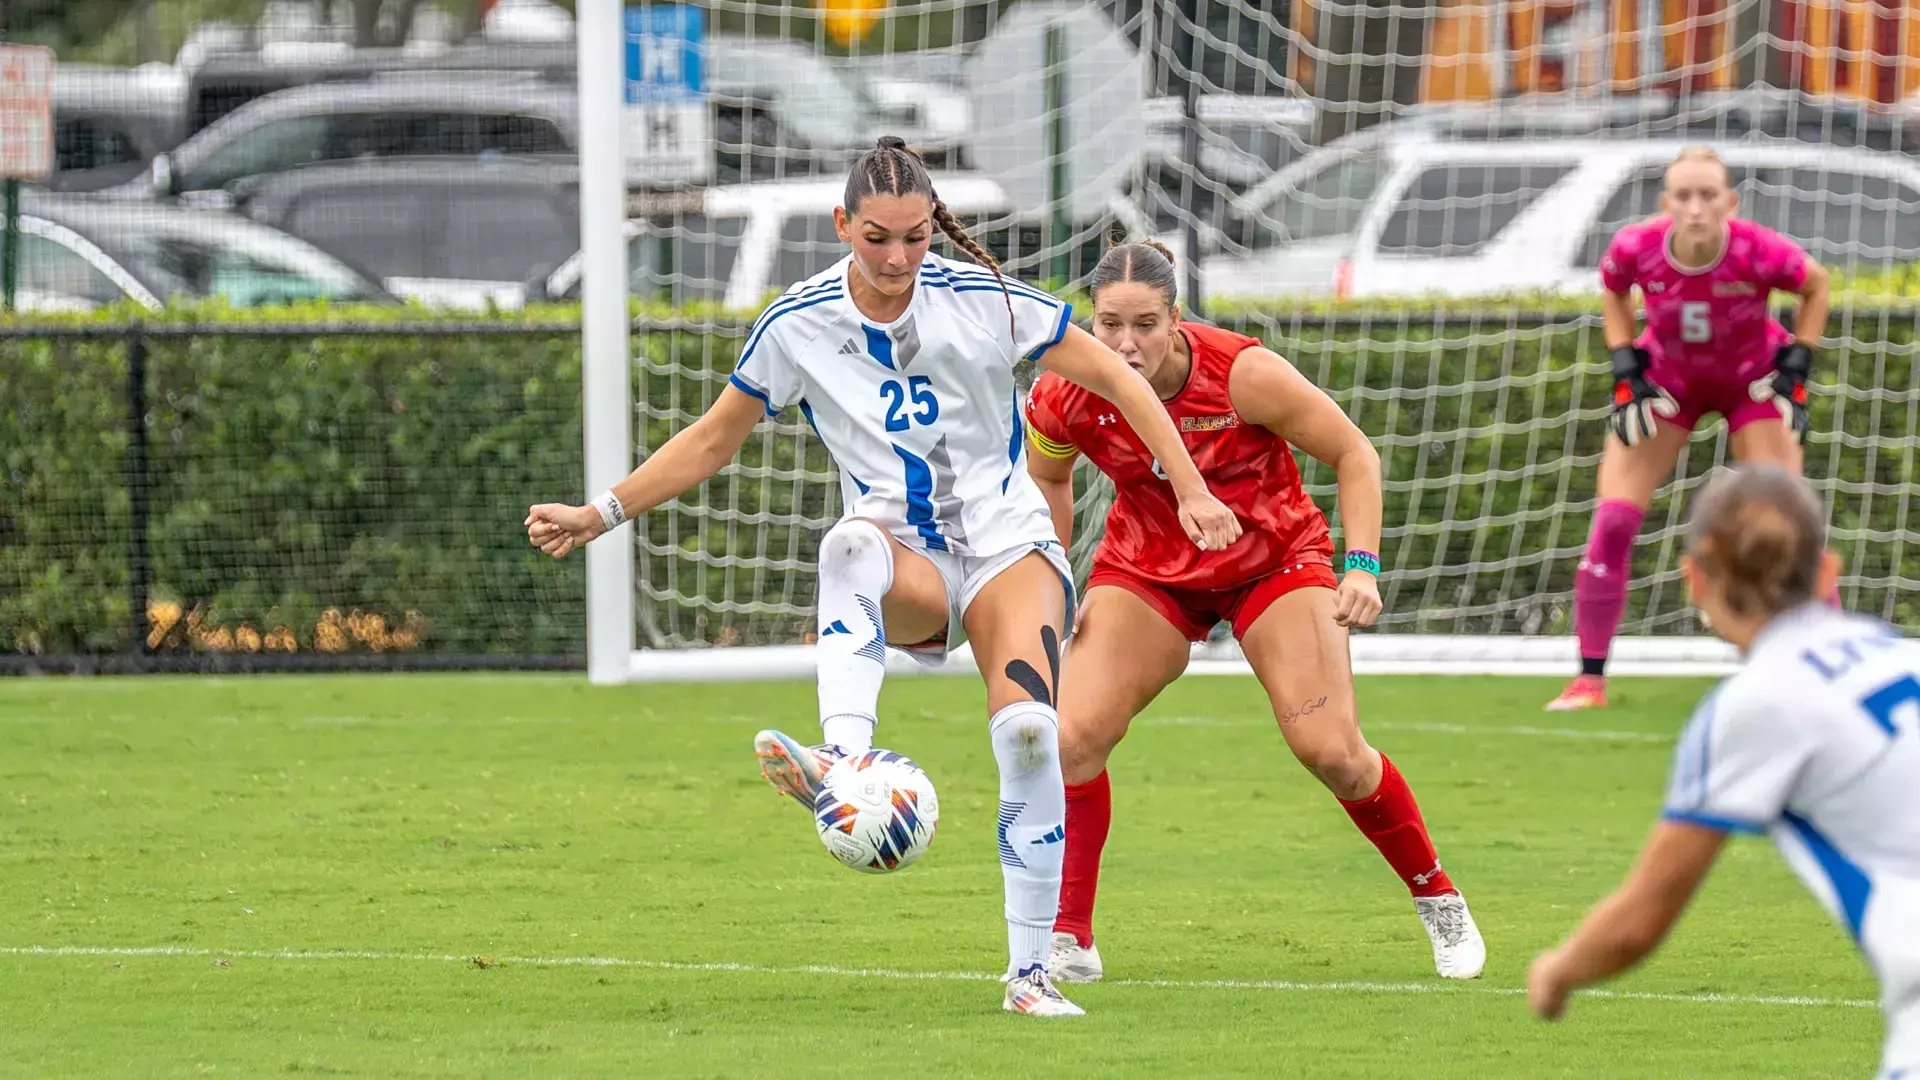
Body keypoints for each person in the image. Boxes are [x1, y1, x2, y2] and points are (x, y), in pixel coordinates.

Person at [524, 138, 1239, 1017]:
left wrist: (1193, 488)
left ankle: (1029, 978)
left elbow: (1124, 386)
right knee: (847, 546)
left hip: (1010, 551)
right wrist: (602, 512)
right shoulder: (798, 322)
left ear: (935, 227)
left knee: (1027, 737)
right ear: (842, 227)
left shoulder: (983, 300)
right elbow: (714, 438)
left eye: (915, 238)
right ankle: (845, 760)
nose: (898, 259)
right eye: (877, 239)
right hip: (910, 566)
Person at [1023, 240, 1486, 983]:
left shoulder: (1242, 374)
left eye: (1145, 324)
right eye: (1110, 324)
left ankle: (1437, 895)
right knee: (1070, 739)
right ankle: (1070, 936)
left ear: (1176, 320)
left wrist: (1362, 568)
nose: (1125, 344)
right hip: (1149, 570)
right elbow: (1048, 476)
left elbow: (1356, 454)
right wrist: (1054, 581)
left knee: (1331, 751)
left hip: (1274, 564)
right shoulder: (1064, 391)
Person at [1529, 464, 1919, 1079]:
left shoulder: (1757, 704)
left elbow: (1638, 923)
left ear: (1694, 580)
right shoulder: (1901, 651)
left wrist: (1557, 971)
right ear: (1828, 572)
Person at [1551, 145, 1831, 711]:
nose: (1697, 207)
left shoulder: (1758, 249)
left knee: (1787, 524)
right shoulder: (1636, 246)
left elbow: (1816, 286)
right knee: (1613, 520)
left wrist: (1798, 364)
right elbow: (1613, 289)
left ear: (1730, 202)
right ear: (1666, 203)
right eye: (1685, 195)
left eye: (1709, 196)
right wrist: (1625, 362)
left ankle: (1823, 672)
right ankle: (1589, 680)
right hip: (1670, 385)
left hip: (1751, 383)